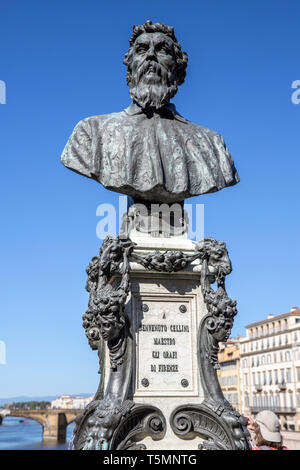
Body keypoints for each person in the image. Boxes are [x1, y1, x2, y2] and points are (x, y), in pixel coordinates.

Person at [61, 20, 239, 205]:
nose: (151, 56)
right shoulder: (91, 132)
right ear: (130, 69)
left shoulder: (211, 143)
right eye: (141, 50)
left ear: (177, 70)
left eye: (162, 50)